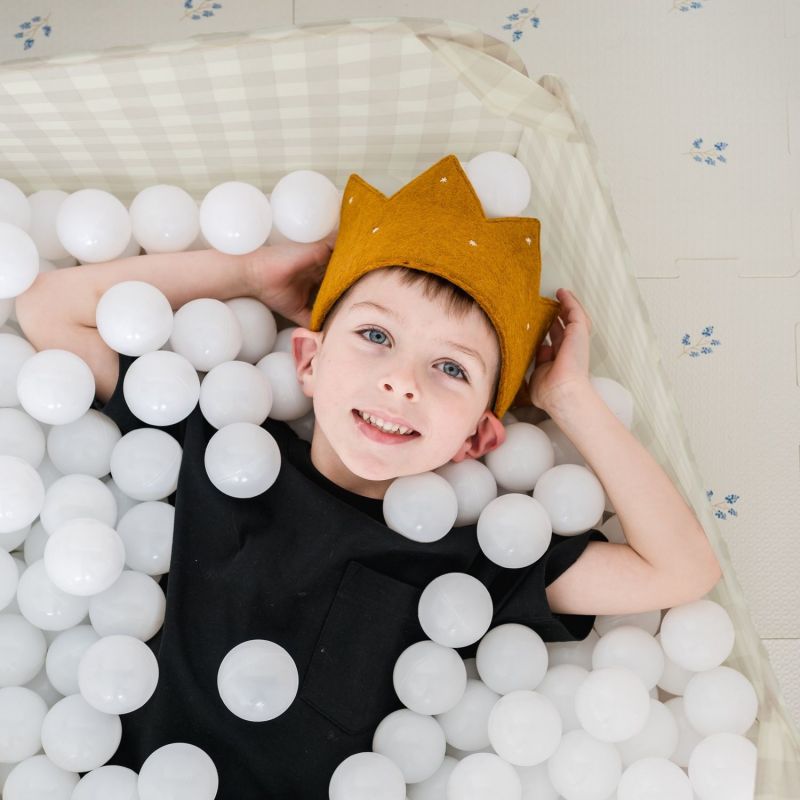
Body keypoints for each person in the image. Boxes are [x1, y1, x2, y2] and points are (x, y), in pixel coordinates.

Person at [15, 154, 722, 798]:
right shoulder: (220, 452)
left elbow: (679, 570)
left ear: (478, 436)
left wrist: (570, 400)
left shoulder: (472, 566)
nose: (400, 382)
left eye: (450, 369)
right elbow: (48, 309)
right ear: (310, 361)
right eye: (376, 336)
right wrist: (251, 273)